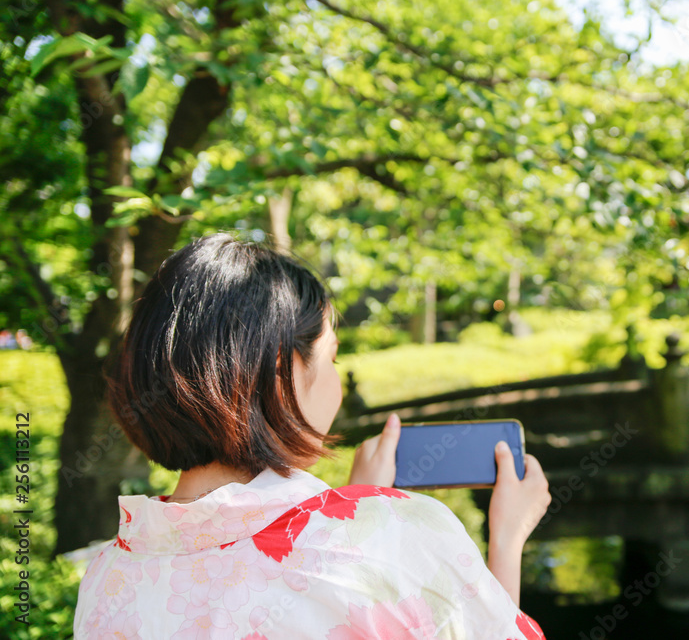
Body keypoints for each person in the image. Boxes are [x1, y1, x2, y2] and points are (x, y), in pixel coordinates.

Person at [73, 233, 551, 638]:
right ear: (284, 376)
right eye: (331, 358)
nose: (337, 380)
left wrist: (359, 503)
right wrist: (505, 542)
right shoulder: (392, 533)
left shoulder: (105, 579)